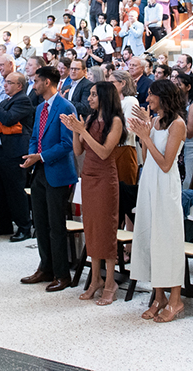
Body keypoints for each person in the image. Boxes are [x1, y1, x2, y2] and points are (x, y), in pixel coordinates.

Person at [62, 81, 125, 305]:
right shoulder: (89, 120)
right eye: (89, 94)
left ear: (105, 98)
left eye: (93, 95)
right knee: (91, 228)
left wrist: (82, 132)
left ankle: (110, 283)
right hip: (87, 178)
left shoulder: (115, 121)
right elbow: (78, 151)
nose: (89, 98)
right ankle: (95, 279)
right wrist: (74, 132)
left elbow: (104, 152)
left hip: (105, 179)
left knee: (106, 230)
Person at [129, 79, 187, 322]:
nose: (148, 99)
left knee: (168, 240)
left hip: (166, 185)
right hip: (149, 182)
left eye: (151, 95)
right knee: (151, 237)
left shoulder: (178, 124)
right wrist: (144, 133)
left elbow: (165, 163)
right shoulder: (154, 121)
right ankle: (158, 296)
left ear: (164, 97)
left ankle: (176, 300)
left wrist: (147, 136)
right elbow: (145, 157)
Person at [21, 66, 78, 292]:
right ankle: (45, 267)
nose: (33, 85)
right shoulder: (40, 108)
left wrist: (41, 156)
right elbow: (35, 136)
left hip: (58, 171)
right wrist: (32, 156)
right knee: (41, 223)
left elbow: (67, 144)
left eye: (36, 81)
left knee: (56, 225)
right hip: (40, 171)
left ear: (46, 82)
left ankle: (63, 274)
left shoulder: (66, 106)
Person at [0, 71, 35, 242]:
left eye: (9, 82)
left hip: (15, 151)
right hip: (0, 150)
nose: (5, 85)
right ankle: (3, 224)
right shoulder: (6, 100)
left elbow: (8, 119)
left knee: (15, 191)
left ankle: (24, 227)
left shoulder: (23, 100)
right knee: (0, 190)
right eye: (5, 82)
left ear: (19, 86)